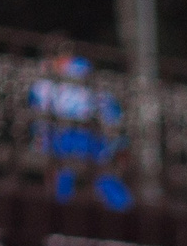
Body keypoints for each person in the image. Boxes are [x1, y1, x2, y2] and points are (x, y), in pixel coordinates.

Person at [27, 51, 132, 211]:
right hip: (79, 135)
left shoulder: (45, 83)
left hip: (73, 135)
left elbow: (38, 112)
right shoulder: (81, 80)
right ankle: (124, 209)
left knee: (71, 174)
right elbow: (110, 110)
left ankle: (61, 212)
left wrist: (40, 137)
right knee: (97, 175)